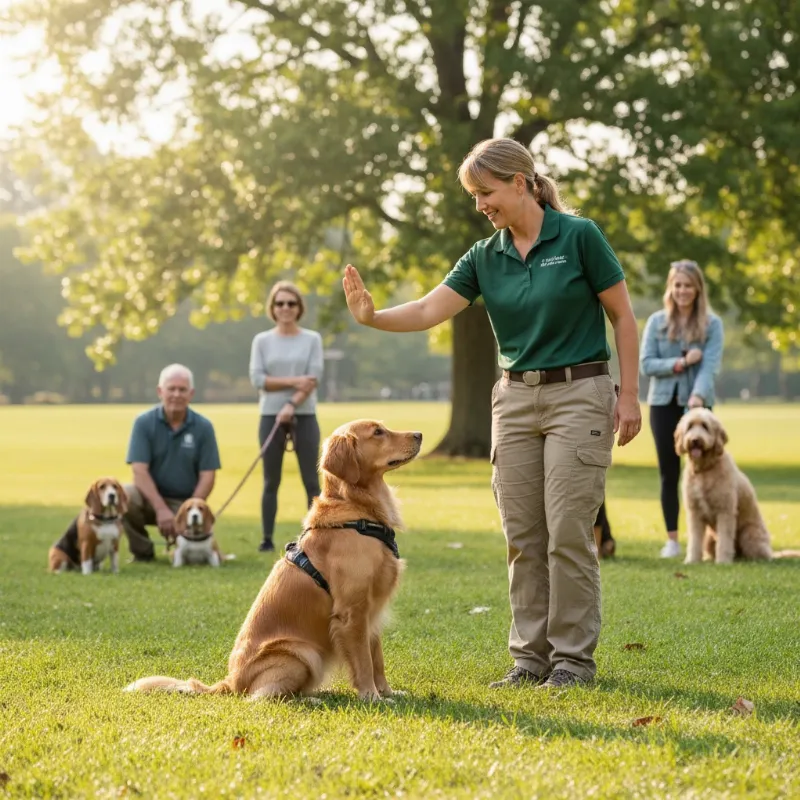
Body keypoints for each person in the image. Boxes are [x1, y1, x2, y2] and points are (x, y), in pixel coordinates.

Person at [343, 138, 641, 689]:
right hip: (516, 400)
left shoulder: (579, 237)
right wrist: (372, 316)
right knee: (523, 534)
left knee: (568, 532)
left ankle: (572, 662)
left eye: (486, 192)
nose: (481, 205)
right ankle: (530, 660)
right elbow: (431, 308)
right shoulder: (485, 256)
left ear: (521, 182)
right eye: (474, 196)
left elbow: (623, 317)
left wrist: (628, 395)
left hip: (580, 393)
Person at [54, 364, 222, 562]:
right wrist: (160, 509)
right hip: (149, 499)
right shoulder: (143, 422)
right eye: (171, 389)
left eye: (182, 389)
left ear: (191, 393)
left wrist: (189, 509)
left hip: (184, 502)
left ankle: (191, 548)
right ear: (160, 391)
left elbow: (208, 475)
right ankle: (143, 552)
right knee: (126, 495)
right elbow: (139, 471)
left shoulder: (204, 426)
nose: (176, 394)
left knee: (197, 518)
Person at [640, 260, 724, 559]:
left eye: (688, 285)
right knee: (669, 472)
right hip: (663, 404)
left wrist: (698, 397)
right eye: (678, 285)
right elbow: (647, 364)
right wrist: (681, 363)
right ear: (670, 288)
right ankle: (673, 540)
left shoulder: (712, 325)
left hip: (699, 406)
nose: (683, 291)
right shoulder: (656, 323)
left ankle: (707, 540)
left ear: (698, 288)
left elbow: (710, 366)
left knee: (708, 472)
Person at [249, 281, 324, 553]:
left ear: (299, 308)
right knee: (271, 480)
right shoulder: (262, 341)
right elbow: (258, 380)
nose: (285, 308)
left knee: (312, 480)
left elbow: (313, 379)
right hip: (270, 415)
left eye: (291, 303)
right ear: (272, 308)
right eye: (280, 303)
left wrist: (291, 403)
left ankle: (316, 536)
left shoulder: (312, 339)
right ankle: (267, 538)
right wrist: (295, 381)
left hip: (304, 415)